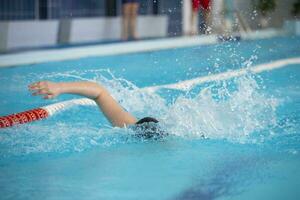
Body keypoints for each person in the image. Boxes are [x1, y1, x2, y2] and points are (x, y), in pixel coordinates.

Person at [29, 81, 165, 139]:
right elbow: (99, 92)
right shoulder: (134, 129)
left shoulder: (131, 130)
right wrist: (60, 86)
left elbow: (99, 92)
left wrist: (61, 86)